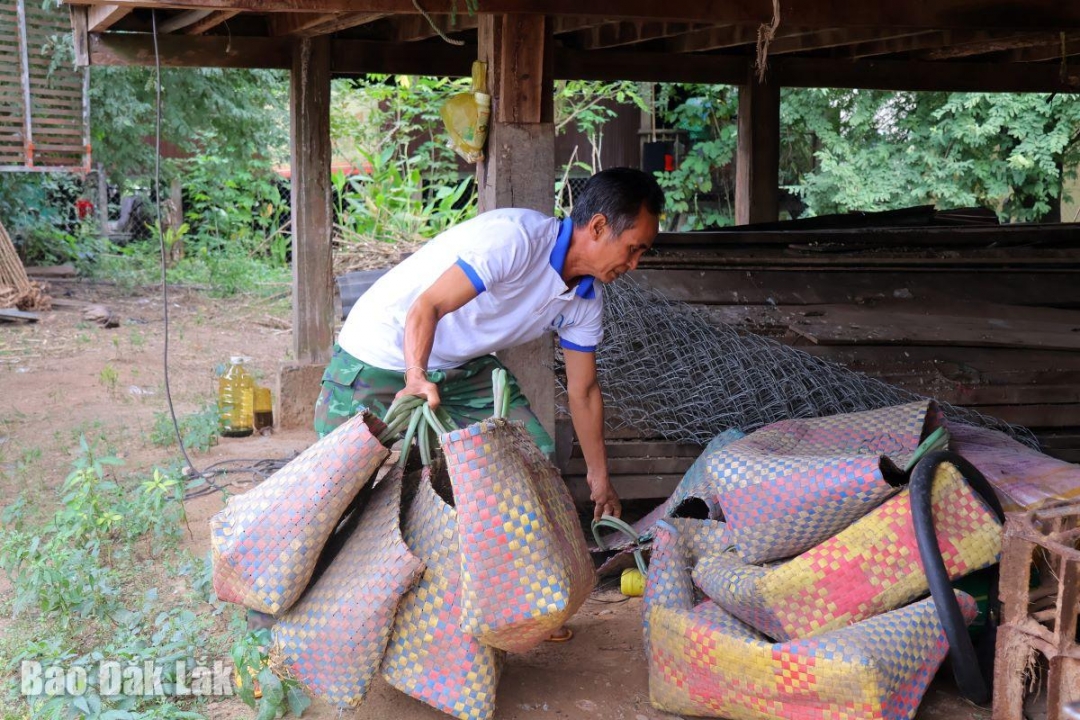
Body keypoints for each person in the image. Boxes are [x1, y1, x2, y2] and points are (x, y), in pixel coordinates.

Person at [314, 167, 664, 522]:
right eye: (633, 249)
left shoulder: (586, 300)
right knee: (341, 491)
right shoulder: (515, 240)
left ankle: (493, 561)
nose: (634, 264)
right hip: (378, 352)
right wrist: (416, 376)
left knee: (530, 459)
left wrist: (599, 477)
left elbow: (584, 391)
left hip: (459, 367)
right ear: (599, 227)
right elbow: (427, 306)